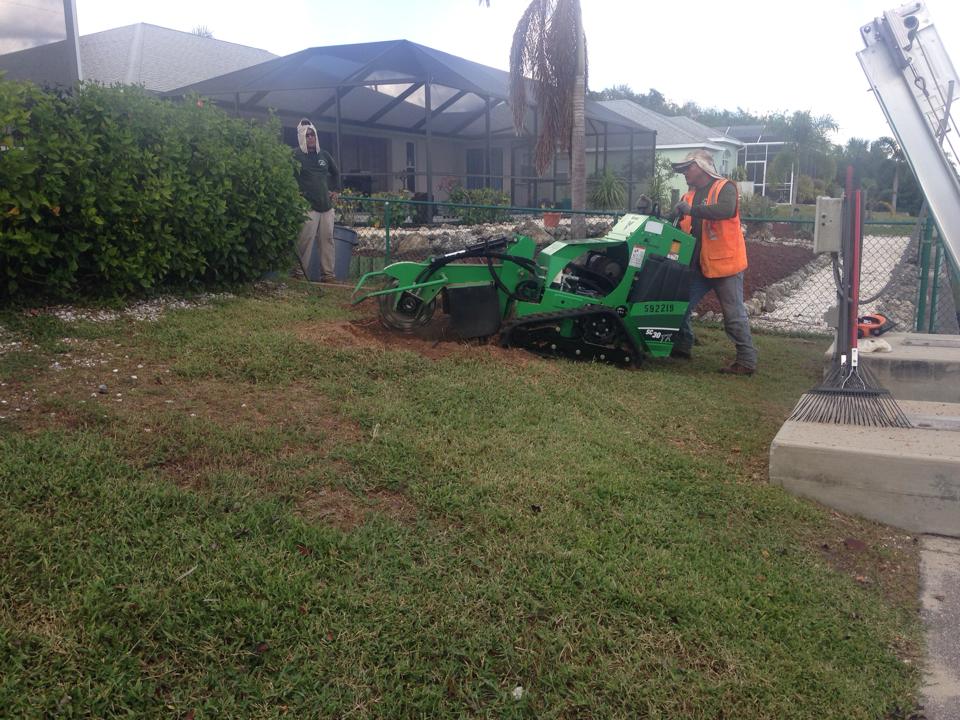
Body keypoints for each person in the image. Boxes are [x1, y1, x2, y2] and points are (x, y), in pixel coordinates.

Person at [670, 150, 758, 375]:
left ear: (701, 167)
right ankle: (681, 348)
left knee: (733, 315)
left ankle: (747, 361)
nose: (684, 173)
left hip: (726, 266)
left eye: (687, 168)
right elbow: (679, 221)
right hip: (700, 264)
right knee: (680, 307)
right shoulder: (689, 195)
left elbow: (726, 210)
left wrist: (692, 211)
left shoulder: (724, 187)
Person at [294, 118, 340, 282]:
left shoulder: (324, 155)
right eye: (307, 135)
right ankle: (299, 274)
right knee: (304, 241)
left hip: (326, 207)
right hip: (308, 207)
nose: (311, 138)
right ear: (301, 137)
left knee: (327, 241)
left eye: (313, 134)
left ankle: (328, 275)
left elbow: (336, 173)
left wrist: (335, 190)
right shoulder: (295, 155)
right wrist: (295, 192)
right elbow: (287, 175)